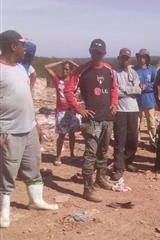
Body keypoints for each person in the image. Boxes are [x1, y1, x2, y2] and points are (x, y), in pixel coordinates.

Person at [0, 30, 58, 228]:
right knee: (7, 170)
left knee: (33, 165)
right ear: (11, 46)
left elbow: (26, 99)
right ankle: (3, 212)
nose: (24, 48)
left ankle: (36, 201)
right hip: (9, 130)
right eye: (21, 44)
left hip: (29, 128)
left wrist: (36, 124)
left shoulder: (19, 68)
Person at [65, 39, 118, 202]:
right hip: (91, 121)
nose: (97, 55)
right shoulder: (82, 71)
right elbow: (68, 90)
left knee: (103, 152)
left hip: (107, 119)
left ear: (104, 54)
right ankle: (88, 189)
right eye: (95, 52)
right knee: (90, 154)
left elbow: (114, 88)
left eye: (100, 53)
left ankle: (100, 179)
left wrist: (115, 103)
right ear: (90, 51)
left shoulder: (109, 69)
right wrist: (79, 108)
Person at [112, 48, 142, 185]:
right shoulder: (113, 73)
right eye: (123, 58)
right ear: (119, 58)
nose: (125, 60)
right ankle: (118, 168)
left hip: (133, 109)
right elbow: (114, 91)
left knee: (133, 139)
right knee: (120, 140)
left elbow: (138, 90)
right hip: (120, 110)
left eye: (127, 58)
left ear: (129, 59)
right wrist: (130, 91)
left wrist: (125, 90)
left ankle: (128, 161)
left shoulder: (134, 73)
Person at [45, 60, 81, 166]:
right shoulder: (58, 80)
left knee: (72, 133)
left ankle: (72, 154)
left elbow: (84, 70)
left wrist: (72, 62)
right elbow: (47, 66)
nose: (64, 71)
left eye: (67, 69)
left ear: (71, 71)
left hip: (72, 111)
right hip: (61, 111)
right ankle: (58, 156)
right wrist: (61, 62)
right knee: (61, 135)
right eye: (63, 69)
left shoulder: (74, 80)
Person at [135, 49, 158, 147]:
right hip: (137, 100)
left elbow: (156, 83)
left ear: (147, 58)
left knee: (151, 122)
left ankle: (153, 140)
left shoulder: (152, 69)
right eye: (140, 56)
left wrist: (147, 86)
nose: (141, 59)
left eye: (143, 57)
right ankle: (136, 141)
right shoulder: (134, 69)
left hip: (149, 99)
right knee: (136, 123)